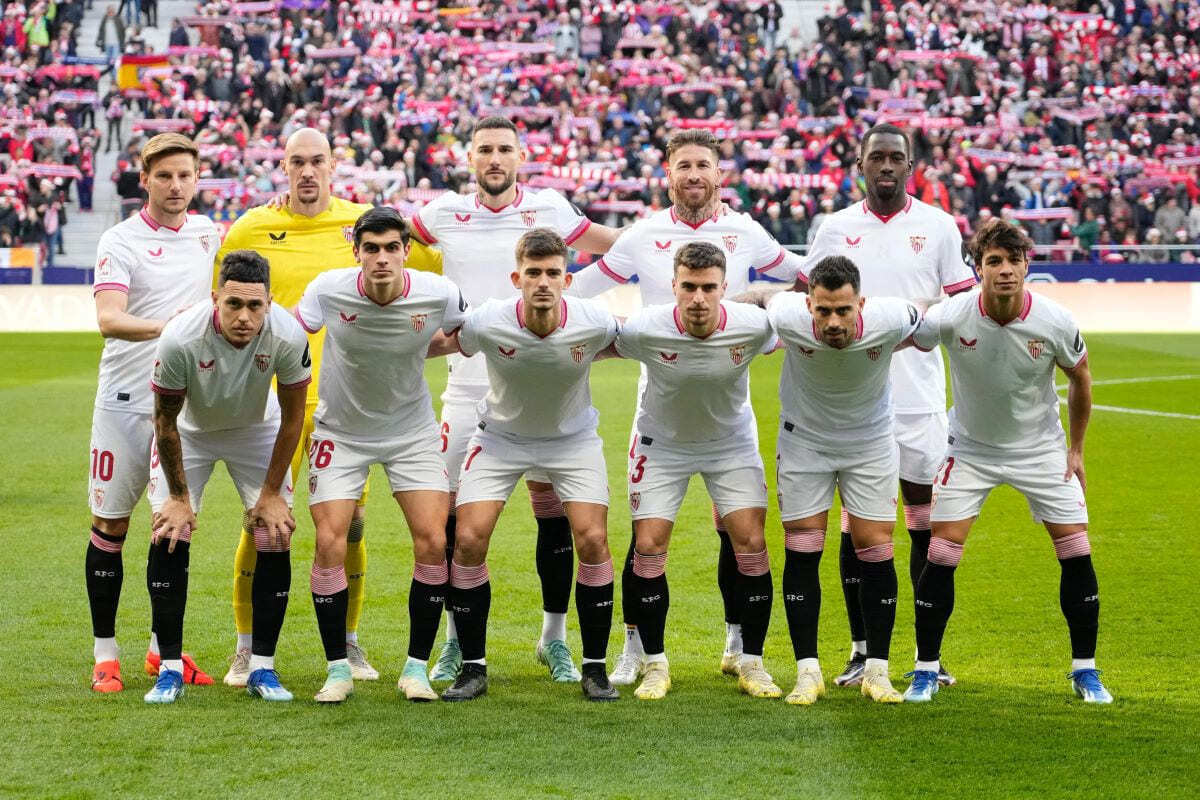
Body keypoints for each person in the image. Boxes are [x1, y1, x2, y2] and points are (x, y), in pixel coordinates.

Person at [568, 128, 804, 685]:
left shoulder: (746, 232)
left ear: (719, 173)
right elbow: (579, 290)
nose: (694, 174)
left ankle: (740, 644)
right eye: (683, 165)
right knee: (647, 540)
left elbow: (805, 280)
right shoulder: (642, 235)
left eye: (703, 164)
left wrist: (754, 299)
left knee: (739, 534)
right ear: (667, 173)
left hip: (729, 413)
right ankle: (635, 647)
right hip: (661, 408)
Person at [216, 128, 441, 687]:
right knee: (264, 521)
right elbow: (223, 302)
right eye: (297, 162)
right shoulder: (251, 226)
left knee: (354, 526)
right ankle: (246, 648)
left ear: (333, 166)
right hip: (276, 404)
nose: (308, 172)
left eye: (318, 161)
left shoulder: (361, 225)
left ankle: (348, 643)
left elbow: (431, 261)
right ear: (283, 168)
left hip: (346, 406)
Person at [409, 116, 621, 684]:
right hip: (468, 381)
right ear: (470, 158)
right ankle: (456, 644)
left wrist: (578, 301)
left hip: (544, 377)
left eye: (505, 148)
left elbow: (617, 249)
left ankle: (553, 638)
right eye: (485, 150)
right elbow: (379, 235)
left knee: (554, 516)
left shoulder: (551, 207)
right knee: (459, 520)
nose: (495, 158)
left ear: (521, 156)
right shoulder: (442, 212)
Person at [905, 218, 1111, 704]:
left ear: (1026, 266)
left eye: (1013, 261)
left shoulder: (1055, 321)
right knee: (941, 553)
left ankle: (1086, 670)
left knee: (1076, 549)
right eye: (993, 261)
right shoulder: (953, 314)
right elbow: (906, 339)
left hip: (1040, 450)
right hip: (970, 450)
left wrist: (1076, 449)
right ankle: (926, 669)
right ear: (977, 268)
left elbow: (1081, 377)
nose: (1004, 270)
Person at [801, 123, 977, 688]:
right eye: (875, 156)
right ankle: (860, 651)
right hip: (850, 403)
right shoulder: (834, 228)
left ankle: (930, 657)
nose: (885, 166)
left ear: (911, 164)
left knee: (928, 526)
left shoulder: (939, 227)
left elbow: (961, 308)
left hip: (919, 401)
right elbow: (812, 305)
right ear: (859, 162)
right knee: (859, 529)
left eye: (895, 158)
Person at [293, 207, 467, 704]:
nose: (382, 258)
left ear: (407, 251)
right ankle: (337, 669)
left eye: (392, 247)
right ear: (357, 252)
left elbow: (464, 332)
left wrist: (414, 350)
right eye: (372, 248)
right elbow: (291, 332)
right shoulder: (329, 288)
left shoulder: (439, 292)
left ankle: (416, 669)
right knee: (330, 541)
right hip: (341, 432)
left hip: (411, 432)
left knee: (434, 540)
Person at [439, 229, 619, 703]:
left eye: (553, 273)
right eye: (533, 273)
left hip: (572, 440)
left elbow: (646, 339)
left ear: (568, 279)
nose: (543, 282)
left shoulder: (596, 320)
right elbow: (442, 342)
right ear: (516, 278)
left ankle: (595, 668)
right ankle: (473, 666)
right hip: (500, 439)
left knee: (593, 538)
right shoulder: (487, 322)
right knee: (469, 536)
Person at [614, 242, 779, 701]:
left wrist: (768, 295)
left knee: (751, 543)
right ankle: (655, 665)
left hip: (730, 445)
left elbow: (808, 330)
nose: (699, 298)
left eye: (709, 287)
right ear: (673, 287)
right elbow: (597, 345)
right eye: (689, 287)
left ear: (725, 289)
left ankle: (752, 662)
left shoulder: (753, 327)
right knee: (648, 546)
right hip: (661, 445)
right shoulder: (646, 328)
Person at [145, 250, 310, 703]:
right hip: (189, 432)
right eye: (233, 304)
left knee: (276, 533)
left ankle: (262, 668)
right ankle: (170, 668)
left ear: (270, 303)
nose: (243, 316)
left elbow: (294, 419)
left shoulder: (289, 335)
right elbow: (164, 422)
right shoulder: (180, 338)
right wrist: (178, 497)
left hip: (256, 430)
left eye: (255, 306)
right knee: (169, 530)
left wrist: (273, 493)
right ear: (215, 297)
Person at [86, 133, 219, 694]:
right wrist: (175, 328)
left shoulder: (209, 233)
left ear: (197, 178)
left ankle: (163, 653)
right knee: (111, 526)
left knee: (172, 528)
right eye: (164, 176)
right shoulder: (120, 240)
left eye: (185, 175)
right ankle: (104, 654)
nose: (176, 186)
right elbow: (109, 319)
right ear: (145, 180)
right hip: (124, 400)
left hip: (182, 405)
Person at [765, 255, 923, 705]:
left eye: (843, 311)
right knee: (803, 548)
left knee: (875, 548)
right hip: (804, 444)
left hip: (870, 444)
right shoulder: (785, 314)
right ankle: (807, 672)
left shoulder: (891, 317)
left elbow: (929, 318)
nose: (833, 322)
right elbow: (760, 300)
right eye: (822, 311)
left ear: (862, 304)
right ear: (807, 305)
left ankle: (877, 671)